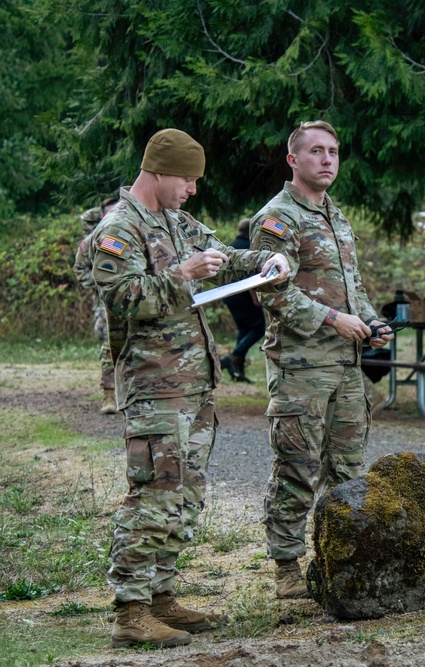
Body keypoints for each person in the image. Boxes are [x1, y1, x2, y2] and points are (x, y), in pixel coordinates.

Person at [91, 128, 290, 648]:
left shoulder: (175, 221)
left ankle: (161, 596)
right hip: (154, 385)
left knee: (185, 492)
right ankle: (130, 611)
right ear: (157, 172)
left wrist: (265, 262)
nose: (192, 190)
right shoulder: (119, 230)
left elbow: (223, 252)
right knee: (154, 493)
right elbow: (123, 299)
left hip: (193, 385)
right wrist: (181, 274)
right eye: (187, 179)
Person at [249, 120, 394, 599]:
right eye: (316, 151)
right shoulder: (277, 219)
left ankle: (338, 557)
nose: (328, 159)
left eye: (333, 151)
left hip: (348, 365)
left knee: (348, 469)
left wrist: (371, 323)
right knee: (297, 467)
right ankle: (287, 567)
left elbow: (354, 287)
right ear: (294, 160)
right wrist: (334, 319)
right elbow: (270, 293)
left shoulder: (336, 215)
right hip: (302, 366)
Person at [73, 195, 119, 414]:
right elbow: (80, 268)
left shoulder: (138, 232)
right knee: (109, 343)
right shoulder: (100, 239)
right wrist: (102, 284)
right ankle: (109, 395)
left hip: (141, 299)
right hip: (109, 301)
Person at [220, 218, 266, 382]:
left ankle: (238, 372)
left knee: (244, 330)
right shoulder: (249, 248)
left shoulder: (230, 246)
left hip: (229, 297)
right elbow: (251, 275)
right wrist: (256, 297)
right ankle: (233, 356)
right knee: (259, 328)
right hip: (245, 297)